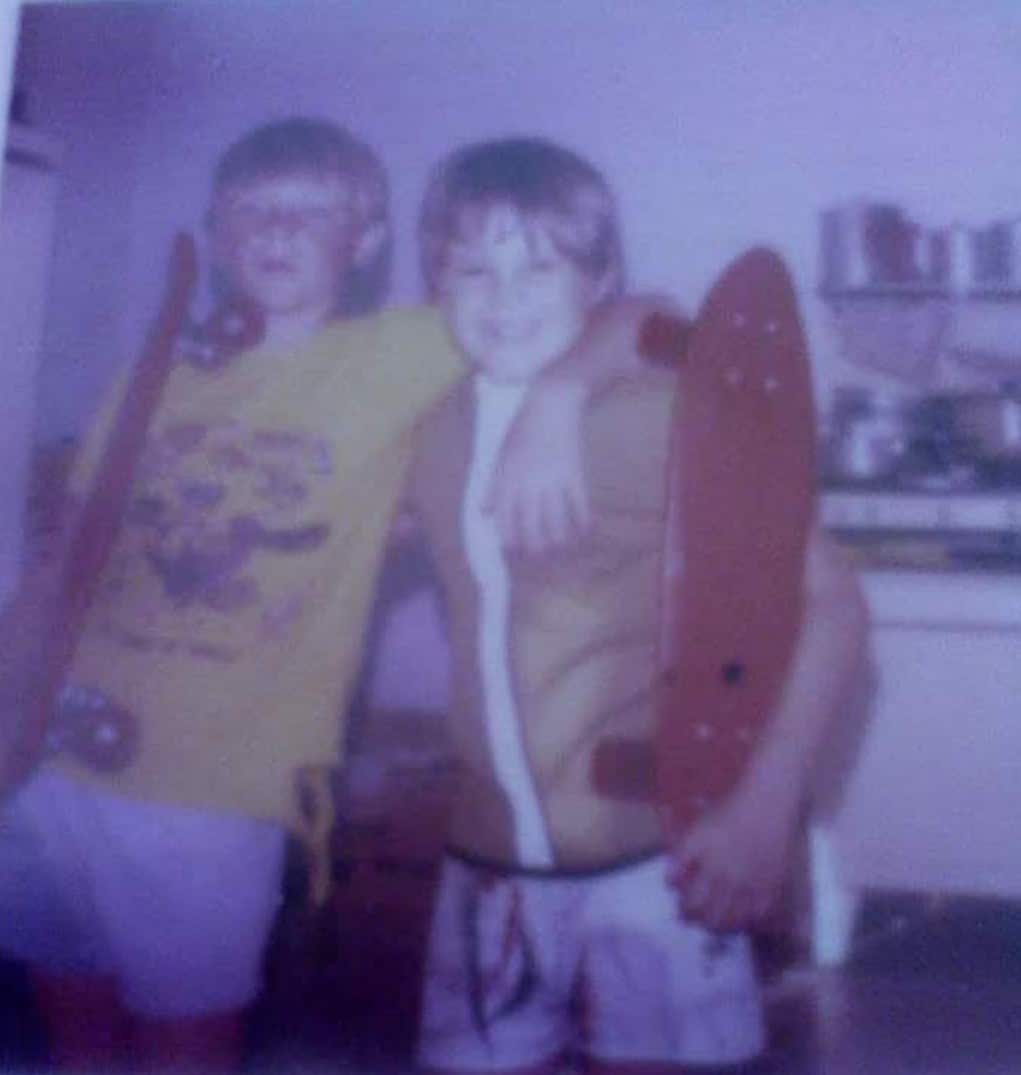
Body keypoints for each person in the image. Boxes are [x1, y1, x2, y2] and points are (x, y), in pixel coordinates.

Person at [0, 118, 656, 1073]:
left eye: (311, 215)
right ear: (218, 231)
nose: (276, 232)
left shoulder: (397, 352)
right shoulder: (154, 375)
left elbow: (634, 313)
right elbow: (62, 574)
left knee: (187, 1043)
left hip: (211, 790)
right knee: (74, 1034)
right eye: (253, 210)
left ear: (368, 241)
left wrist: (558, 404)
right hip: (50, 768)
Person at [406, 137, 868, 1075]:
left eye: (540, 266)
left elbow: (834, 610)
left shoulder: (661, 414)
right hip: (488, 867)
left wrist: (763, 806)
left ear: (602, 279)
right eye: (469, 269)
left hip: (657, 859)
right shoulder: (425, 424)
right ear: (434, 282)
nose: (503, 297)